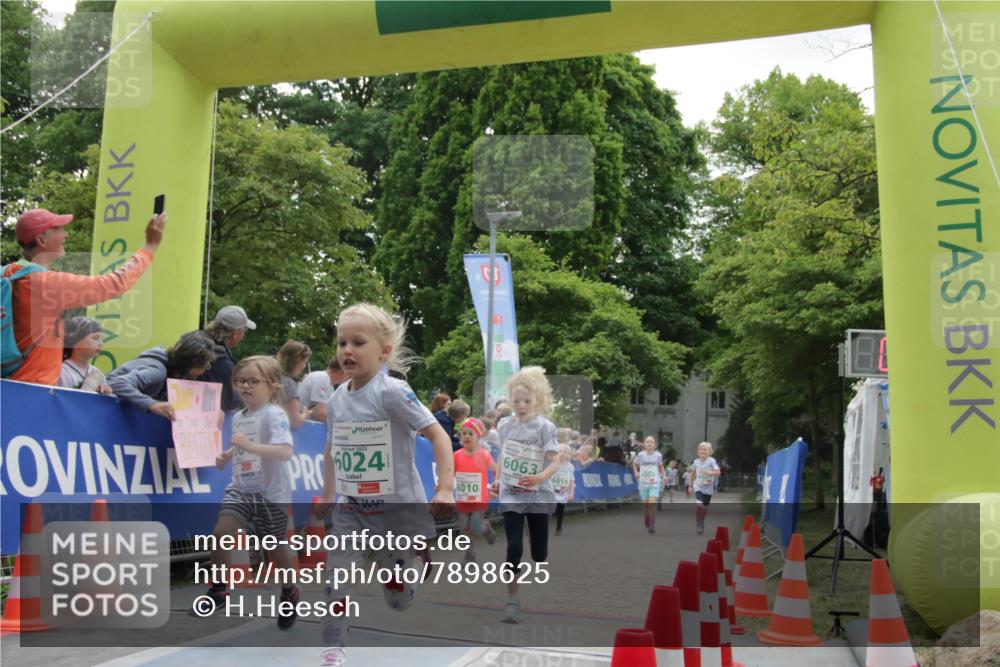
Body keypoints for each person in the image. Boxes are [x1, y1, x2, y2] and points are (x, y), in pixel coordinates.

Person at [314, 303, 454, 666]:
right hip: (352, 511)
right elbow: (332, 449)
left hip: (397, 512)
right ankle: (334, 645)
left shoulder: (392, 391)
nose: (347, 350)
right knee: (335, 576)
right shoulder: (335, 400)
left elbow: (437, 435)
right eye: (341, 342)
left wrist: (446, 488)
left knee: (398, 599)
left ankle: (416, 563)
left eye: (358, 342)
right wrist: (329, 495)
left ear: (384, 351)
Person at [3, 208, 165, 384]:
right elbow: (115, 283)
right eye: (58, 230)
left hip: (9, 383)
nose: (66, 235)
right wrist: (149, 246)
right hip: (35, 388)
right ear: (41, 240)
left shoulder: (7, 273)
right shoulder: (44, 282)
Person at [200, 356, 300, 629]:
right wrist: (228, 455)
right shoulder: (238, 417)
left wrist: (249, 446)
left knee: (275, 548)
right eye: (240, 381)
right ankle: (220, 589)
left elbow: (284, 452)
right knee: (221, 533)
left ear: (271, 385)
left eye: (253, 381)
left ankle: (289, 590)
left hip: (270, 493)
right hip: (241, 489)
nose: (246, 386)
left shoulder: (274, 414)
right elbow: (245, 444)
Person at [490, 366, 561, 624]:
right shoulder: (505, 425)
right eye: (516, 401)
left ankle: (537, 539)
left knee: (539, 554)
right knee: (514, 547)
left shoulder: (545, 427)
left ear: (538, 401)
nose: (521, 406)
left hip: (538, 496)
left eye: (527, 401)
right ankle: (512, 601)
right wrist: (497, 479)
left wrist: (540, 477)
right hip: (511, 495)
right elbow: (503, 456)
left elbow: (555, 461)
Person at [106, 331, 218, 419]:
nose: (204, 371)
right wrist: (152, 404)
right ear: (191, 364)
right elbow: (116, 382)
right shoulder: (157, 371)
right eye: (205, 365)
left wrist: (213, 410)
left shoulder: (175, 372)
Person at [453, 417, 498, 562]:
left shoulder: (484, 455)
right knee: (464, 529)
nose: (466, 436)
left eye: (470, 433)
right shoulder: (456, 455)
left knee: (475, 528)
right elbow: (449, 474)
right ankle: (469, 555)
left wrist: (495, 485)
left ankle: (486, 528)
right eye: (463, 433)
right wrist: (444, 485)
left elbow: (496, 470)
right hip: (461, 498)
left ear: (478, 436)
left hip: (479, 499)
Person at [201, 305, 256, 412]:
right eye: (244, 331)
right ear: (235, 334)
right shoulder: (223, 364)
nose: (244, 335)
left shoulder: (196, 346)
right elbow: (230, 403)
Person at [58, 316, 112, 394]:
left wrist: (106, 395)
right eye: (95, 338)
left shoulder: (98, 374)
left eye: (101, 339)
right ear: (75, 341)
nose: (101, 343)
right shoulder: (63, 372)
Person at [632, 436, 665, 534]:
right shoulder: (641, 455)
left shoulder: (658, 455)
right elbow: (634, 464)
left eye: (651, 442)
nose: (649, 443)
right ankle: (647, 517)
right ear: (644, 444)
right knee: (646, 504)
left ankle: (652, 524)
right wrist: (636, 472)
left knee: (652, 502)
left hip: (654, 481)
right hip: (643, 482)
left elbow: (661, 466)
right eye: (647, 442)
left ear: (655, 445)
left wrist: (664, 475)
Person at [276, 340, 311, 428]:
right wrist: (305, 414)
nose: (304, 366)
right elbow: (294, 421)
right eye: (304, 362)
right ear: (298, 361)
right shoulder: (288, 383)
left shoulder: (272, 378)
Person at [298, 357, 346, 423]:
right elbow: (321, 415)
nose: (349, 378)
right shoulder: (322, 378)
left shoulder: (328, 384)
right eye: (349, 374)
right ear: (343, 372)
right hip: (302, 426)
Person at [688, 442, 721, 534]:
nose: (703, 451)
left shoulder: (712, 461)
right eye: (701, 449)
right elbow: (691, 474)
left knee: (705, 508)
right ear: (698, 451)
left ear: (710, 452)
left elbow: (718, 472)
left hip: (708, 488)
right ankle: (699, 524)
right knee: (699, 505)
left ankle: (701, 522)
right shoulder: (696, 462)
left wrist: (711, 473)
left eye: (705, 449)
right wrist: (690, 486)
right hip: (698, 486)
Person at [552, 443, 575, 536]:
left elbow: (571, 481)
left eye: (564, 452)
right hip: (552, 490)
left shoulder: (570, 467)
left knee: (560, 509)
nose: (562, 453)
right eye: (560, 451)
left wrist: (571, 494)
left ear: (568, 454)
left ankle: (558, 527)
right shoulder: (553, 464)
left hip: (563, 491)